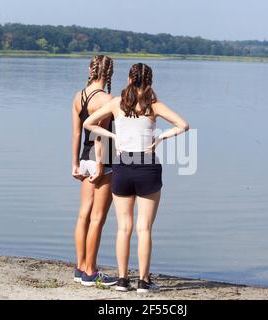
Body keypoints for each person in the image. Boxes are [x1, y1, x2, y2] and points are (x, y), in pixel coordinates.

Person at [83, 63, 189, 293]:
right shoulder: (154, 106)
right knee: (144, 228)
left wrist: (113, 135)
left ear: (129, 79)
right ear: (150, 82)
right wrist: (160, 138)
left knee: (124, 228)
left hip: (122, 166)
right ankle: (143, 281)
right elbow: (183, 125)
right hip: (147, 166)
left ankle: (122, 280)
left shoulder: (115, 104)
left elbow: (88, 123)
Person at [71, 55, 117, 287]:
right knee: (97, 218)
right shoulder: (107, 99)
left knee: (83, 215)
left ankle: (80, 267)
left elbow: (77, 134)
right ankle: (91, 271)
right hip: (102, 162)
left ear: (91, 69)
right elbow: (100, 136)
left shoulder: (79, 96)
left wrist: (74, 164)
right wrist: (101, 167)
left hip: (83, 159)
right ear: (109, 74)